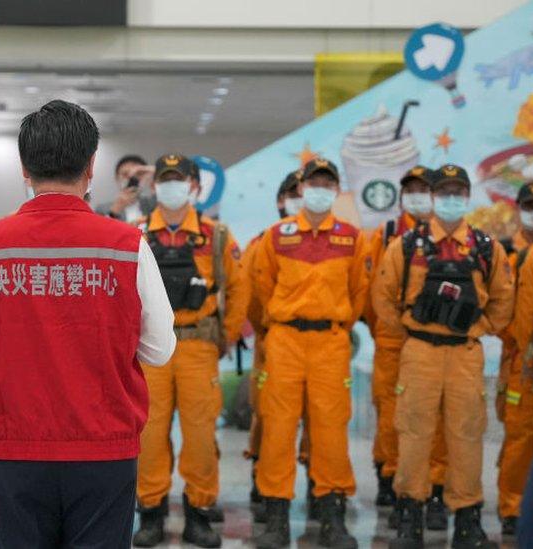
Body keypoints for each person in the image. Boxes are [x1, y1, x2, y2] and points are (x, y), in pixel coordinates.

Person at [0, 100, 176, 547]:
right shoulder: (126, 245)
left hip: (16, 449)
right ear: (91, 166)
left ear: (24, 169)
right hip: (105, 449)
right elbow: (160, 348)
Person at [375, 164, 512, 549]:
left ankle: (467, 520)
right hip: (419, 353)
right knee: (414, 434)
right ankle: (410, 517)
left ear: (467, 197)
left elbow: (503, 302)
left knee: (466, 435)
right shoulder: (405, 245)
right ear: (433, 197)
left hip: (465, 354)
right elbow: (383, 298)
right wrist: (412, 329)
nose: (451, 199)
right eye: (444, 192)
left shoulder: (487, 248)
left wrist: (477, 327)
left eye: (458, 192)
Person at [130, 153, 250, 548]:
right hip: (151, 350)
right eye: (164, 180)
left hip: (199, 345)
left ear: (195, 187)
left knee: (200, 433)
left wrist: (225, 336)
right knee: (149, 432)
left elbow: (239, 288)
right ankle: (151, 511)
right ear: (155, 187)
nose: (171, 187)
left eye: (179, 180)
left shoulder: (217, 236)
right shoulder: (136, 235)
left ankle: (199, 513)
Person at [253, 158, 369, 549]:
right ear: (301, 189)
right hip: (284, 341)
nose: (320, 189)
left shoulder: (353, 239)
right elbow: (262, 290)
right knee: (279, 430)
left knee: (331, 429)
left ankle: (332, 516)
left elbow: (359, 295)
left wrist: (333, 328)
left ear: (336, 190)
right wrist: (282, 327)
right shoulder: (277, 236)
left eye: (327, 183)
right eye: (313, 182)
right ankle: (276, 516)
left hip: (330, 345)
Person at [365, 166, 450, 529]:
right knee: (391, 414)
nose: (417, 195)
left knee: (436, 418)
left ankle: (434, 487)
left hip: (436, 345)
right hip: (392, 341)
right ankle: (392, 477)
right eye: (411, 189)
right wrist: (385, 330)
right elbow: (370, 291)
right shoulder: (387, 235)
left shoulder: (451, 238)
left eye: (424, 189)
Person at [244, 169, 302, 519]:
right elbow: (251, 298)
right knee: (269, 417)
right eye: (294, 193)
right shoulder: (263, 242)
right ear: (281, 201)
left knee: (320, 421)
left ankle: (319, 489)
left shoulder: (338, 241)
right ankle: (262, 478)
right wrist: (270, 333)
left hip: (319, 348)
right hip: (274, 345)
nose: (301, 198)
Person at [494, 181, 533, 536]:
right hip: (520, 362)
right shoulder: (507, 254)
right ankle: (512, 508)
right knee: (519, 438)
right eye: (530, 205)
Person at [95, 154, 157, 221]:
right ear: (117, 178)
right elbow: (99, 230)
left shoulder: (155, 203)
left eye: (138, 174)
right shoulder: (103, 209)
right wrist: (114, 212)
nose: (131, 178)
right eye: (125, 174)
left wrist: (150, 169)